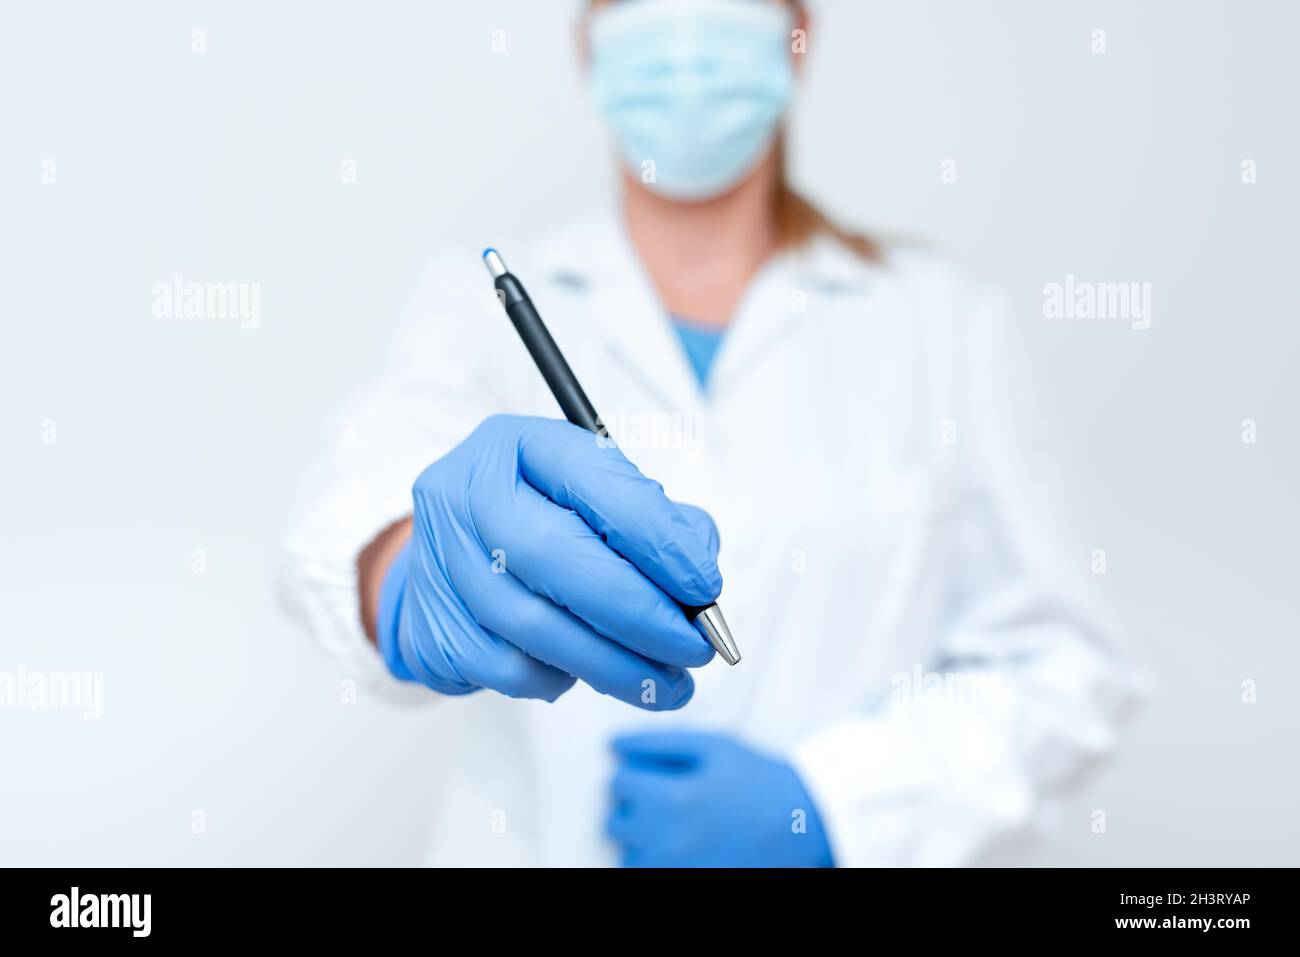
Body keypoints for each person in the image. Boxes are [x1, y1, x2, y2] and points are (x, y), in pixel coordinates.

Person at [282, 0, 1142, 867]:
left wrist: (832, 805)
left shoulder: (941, 323)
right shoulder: (475, 306)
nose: (687, 44)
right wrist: (408, 573)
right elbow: (359, 478)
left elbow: (1065, 666)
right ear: (589, 45)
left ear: (795, 38)